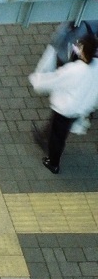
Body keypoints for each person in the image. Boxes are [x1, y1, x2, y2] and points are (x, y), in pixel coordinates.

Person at [28, 34, 98, 174]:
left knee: (57, 136)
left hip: (66, 109)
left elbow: (56, 80)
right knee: (61, 132)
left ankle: (53, 162)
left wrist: (37, 80)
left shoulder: (74, 70)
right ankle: (45, 140)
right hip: (80, 108)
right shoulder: (95, 67)